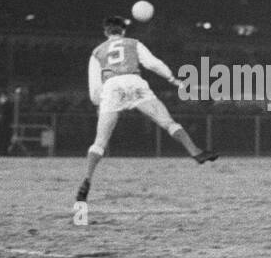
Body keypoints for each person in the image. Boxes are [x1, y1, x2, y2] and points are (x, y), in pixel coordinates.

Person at [75, 16, 216, 203]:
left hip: (111, 87)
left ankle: (87, 179)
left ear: (106, 32)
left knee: (100, 142)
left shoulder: (97, 52)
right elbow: (153, 64)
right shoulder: (133, 43)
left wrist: (99, 103)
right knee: (168, 123)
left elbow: (94, 87)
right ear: (123, 31)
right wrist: (172, 79)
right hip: (134, 82)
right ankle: (195, 152)